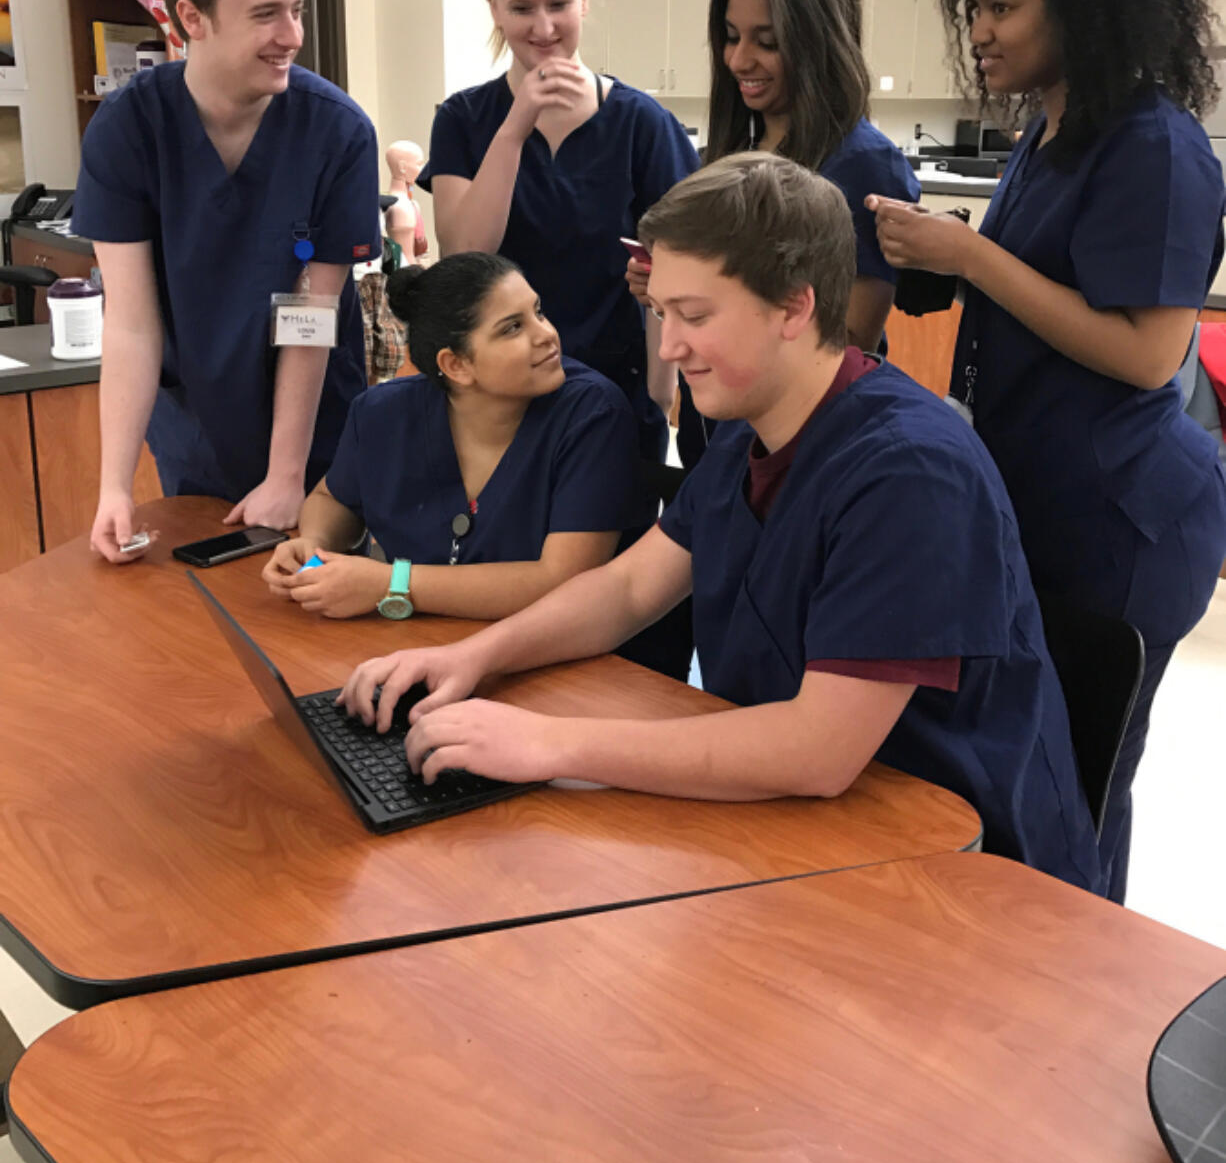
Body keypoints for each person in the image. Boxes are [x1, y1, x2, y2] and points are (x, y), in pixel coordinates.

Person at [336, 154, 1102, 893]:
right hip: (805, 831)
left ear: (795, 306)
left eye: (694, 316)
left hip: (955, 865)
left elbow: (816, 751)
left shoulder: (909, 472)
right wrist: (474, 656)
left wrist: (546, 741)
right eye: (662, 312)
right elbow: (633, 587)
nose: (668, 346)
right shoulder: (753, 422)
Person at [867, 0, 1226, 902]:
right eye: (971, 6)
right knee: (1029, 766)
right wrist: (937, 260)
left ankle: (1084, 1001)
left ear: (1080, 3)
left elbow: (1144, 353)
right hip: (1038, 492)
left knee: (1079, 784)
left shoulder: (1153, 144)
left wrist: (972, 258)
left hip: (1120, 522)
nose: (976, 31)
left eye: (1000, 6)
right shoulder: (1050, 128)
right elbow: (1039, 284)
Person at [74, 0, 379, 561]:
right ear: (193, 18)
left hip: (317, 431)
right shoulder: (129, 130)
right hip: (196, 424)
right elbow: (130, 323)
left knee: (314, 600)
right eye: (265, 14)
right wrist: (113, 486)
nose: (292, 35)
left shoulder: (338, 133)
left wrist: (288, 474)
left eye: (296, 9)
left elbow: (311, 315)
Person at [422, 0, 699, 461]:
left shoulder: (642, 126)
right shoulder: (463, 121)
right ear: (494, 8)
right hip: (497, 408)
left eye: (559, 4)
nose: (543, 28)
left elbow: (671, 271)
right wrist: (515, 126)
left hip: (615, 398)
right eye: (522, 8)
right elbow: (465, 255)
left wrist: (656, 398)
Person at [263, 253, 638, 620]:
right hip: (409, 648)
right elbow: (334, 498)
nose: (547, 334)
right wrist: (314, 544)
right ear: (455, 365)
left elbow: (564, 581)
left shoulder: (593, 413)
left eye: (538, 312)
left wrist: (393, 583)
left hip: (548, 658)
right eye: (512, 328)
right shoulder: (381, 414)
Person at [627, 0, 920, 362]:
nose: (740, 60)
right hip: (716, 419)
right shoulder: (730, 153)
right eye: (731, 36)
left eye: (767, 42)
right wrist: (668, 289)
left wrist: (711, 301)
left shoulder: (864, 166)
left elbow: (850, 341)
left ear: (817, 46)